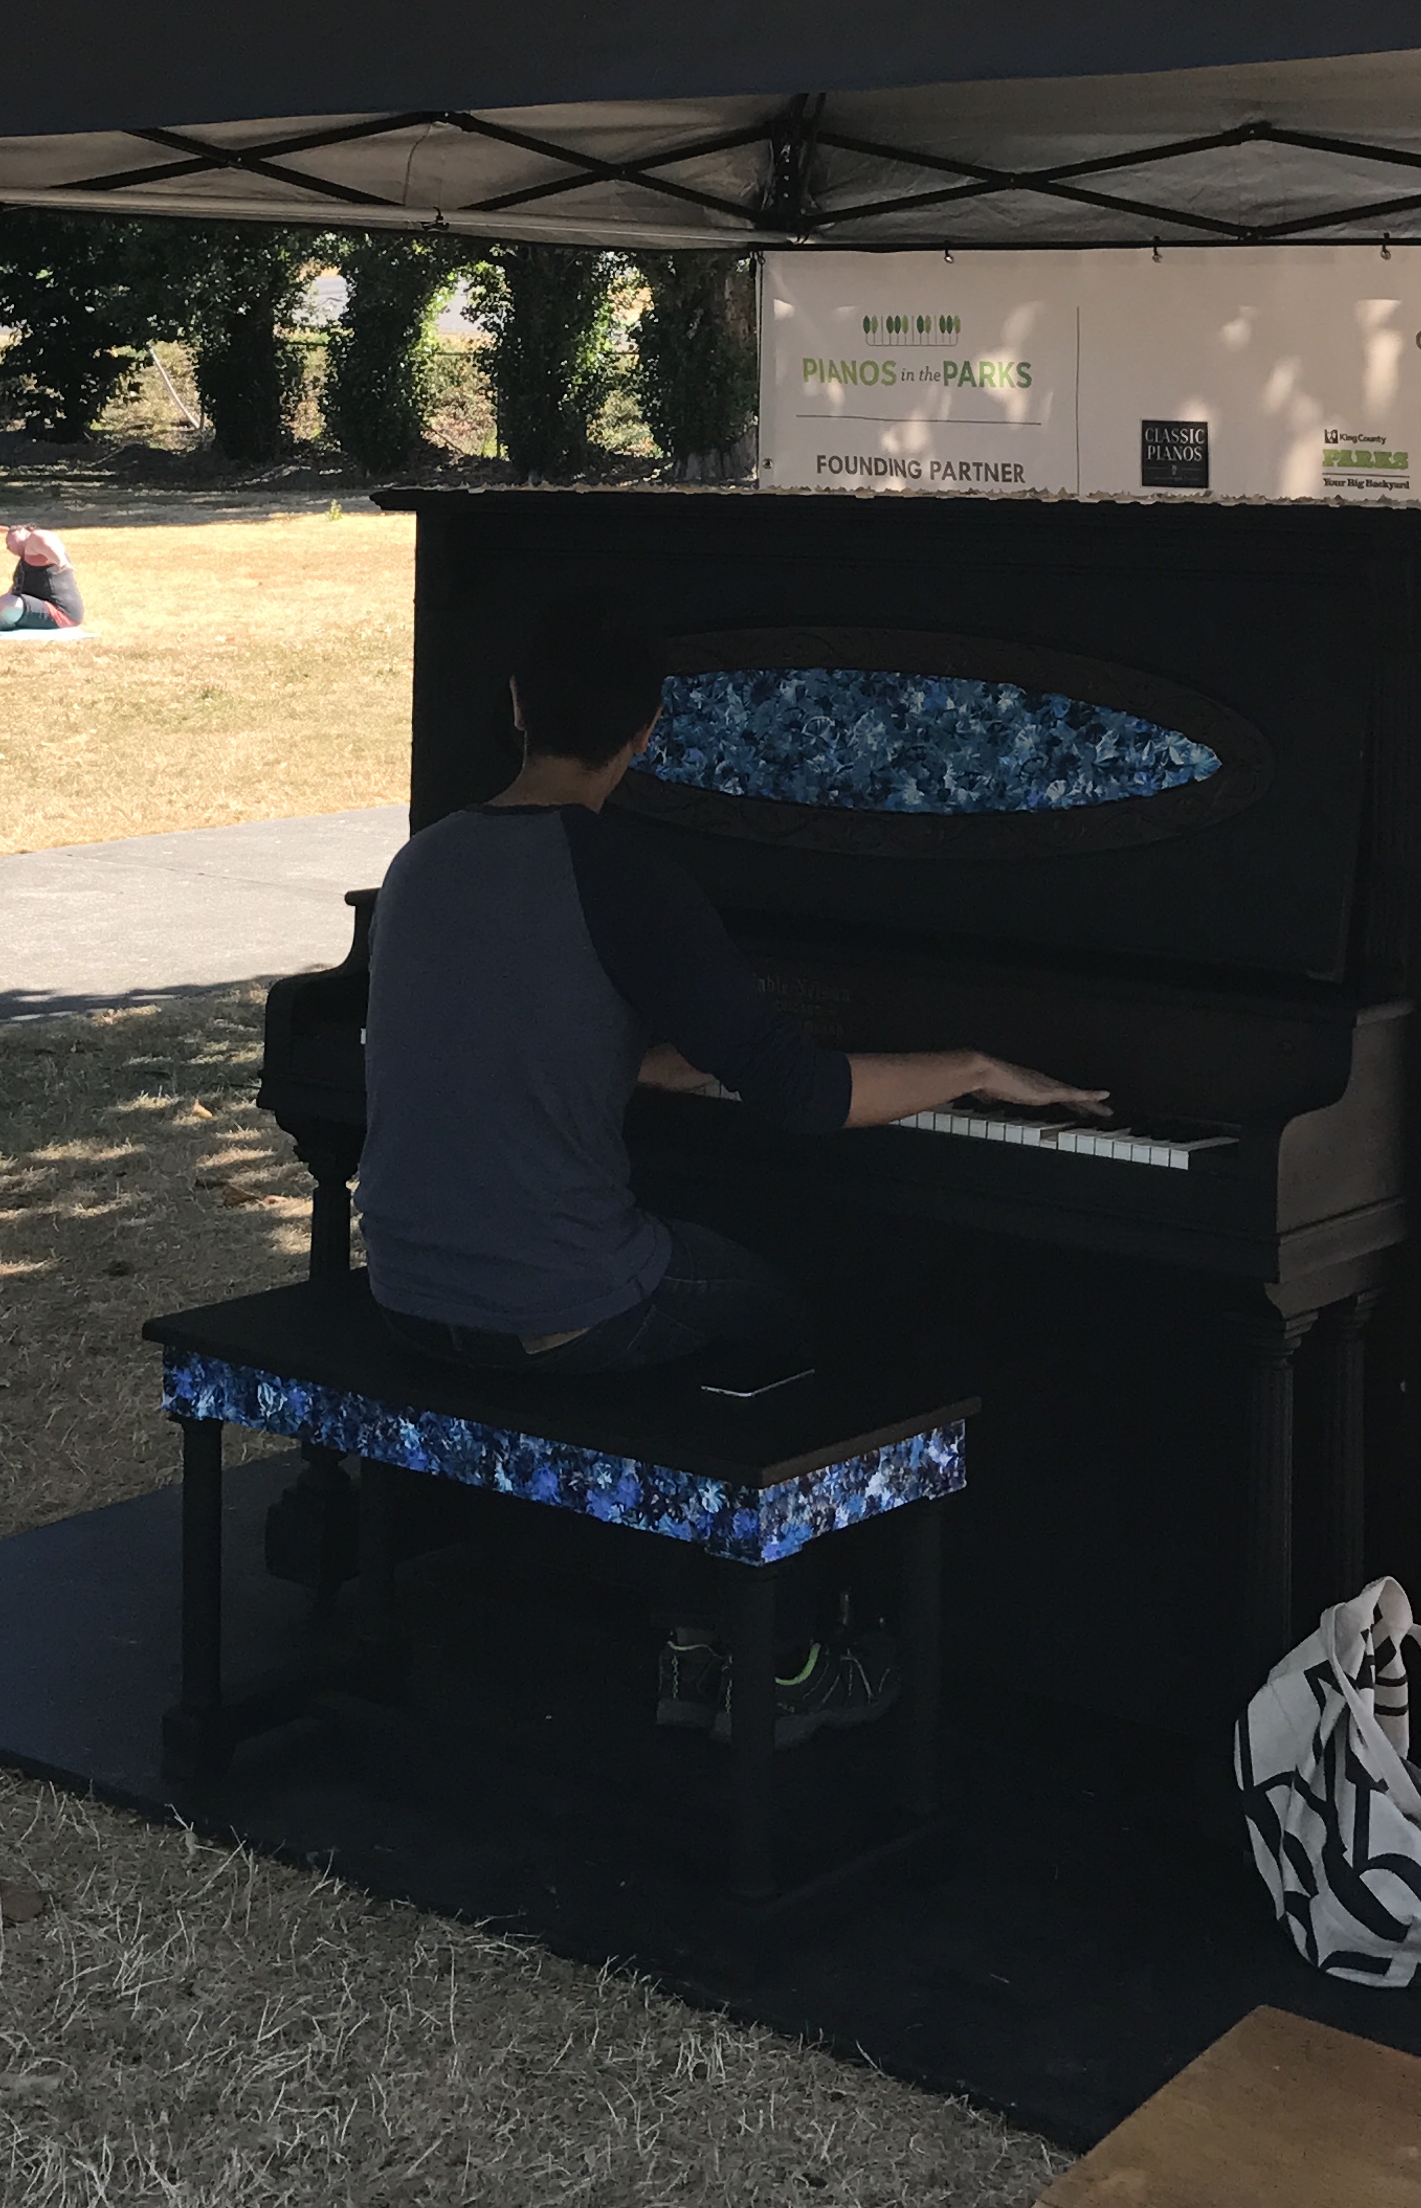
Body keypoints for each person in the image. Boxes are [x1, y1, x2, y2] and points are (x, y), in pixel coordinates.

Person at [354, 594, 1104, 1746]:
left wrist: (652, 1057)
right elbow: (804, 1095)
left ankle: (694, 1633)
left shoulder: (424, 861)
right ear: (647, 733)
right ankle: (777, 1659)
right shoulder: (624, 877)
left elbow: (515, 1030)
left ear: (515, 709)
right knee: (808, 1323)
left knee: (726, 1293)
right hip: (558, 1306)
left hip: (407, 1289)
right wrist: (971, 1065)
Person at [0, 520, 86, 631]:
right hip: (39, 607)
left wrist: (61, 561)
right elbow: (10, 594)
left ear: (22, 531)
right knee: (5, 602)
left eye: (8, 541)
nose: (8, 547)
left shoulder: (35, 537)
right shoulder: (26, 560)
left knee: (8, 605)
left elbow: (47, 544)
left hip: (62, 614)